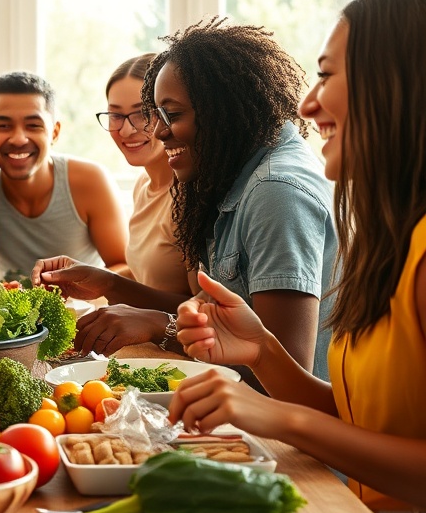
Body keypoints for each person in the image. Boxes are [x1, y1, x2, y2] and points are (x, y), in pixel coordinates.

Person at [169, 0, 426, 513]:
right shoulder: (397, 239)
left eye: (327, 76)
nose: (307, 105)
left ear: (399, 84)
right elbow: (363, 421)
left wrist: (282, 419)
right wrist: (261, 350)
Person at [33, 19, 336, 382]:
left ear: (223, 110)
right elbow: (219, 318)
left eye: (171, 115)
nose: (159, 132)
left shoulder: (276, 191)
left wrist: (163, 326)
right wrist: (111, 285)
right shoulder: (233, 173)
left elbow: (287, 370)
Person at [0, 71, 127, 284]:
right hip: (8, 304)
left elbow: (125, 266)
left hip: (83, 304)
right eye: (3, 126)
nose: (18, 139)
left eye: (33, 125)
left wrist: (76, 287)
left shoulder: (90, 181)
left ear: (55, 132)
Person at [97, 54, 195, 295]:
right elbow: (145, 277)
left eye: (142, 114)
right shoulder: (143, 185)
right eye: (116, 115)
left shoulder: (188, 195)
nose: (126, 130)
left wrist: (108, 285)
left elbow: (203, 306)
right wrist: (84, 277)